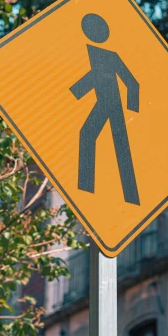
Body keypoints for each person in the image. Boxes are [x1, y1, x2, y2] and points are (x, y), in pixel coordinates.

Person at [70, 13, 140, 205]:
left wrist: (133, 109)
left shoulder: (110, 55)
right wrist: (74, 93)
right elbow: (94, 77)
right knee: (90, 135)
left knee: (120, 147)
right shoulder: (94, 52)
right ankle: (87, 187)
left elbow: (132, 83)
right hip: (103, 102)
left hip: (113, 103)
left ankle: (130, 195)